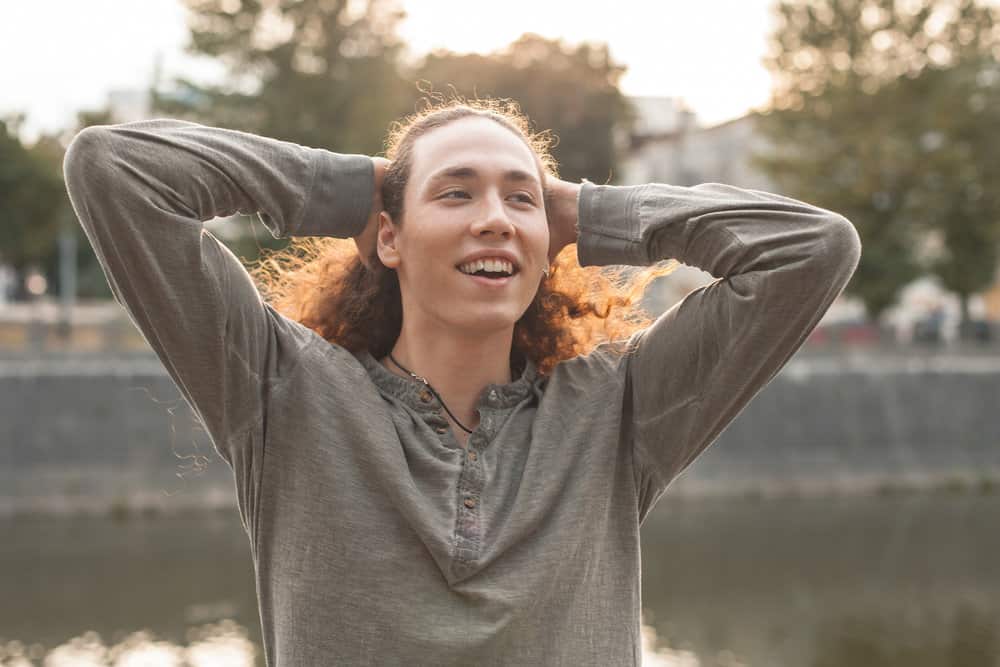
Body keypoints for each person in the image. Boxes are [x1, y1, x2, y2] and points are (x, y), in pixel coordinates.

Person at [62, 98, 861, 666]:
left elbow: (812, 249)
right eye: (455, 192)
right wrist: (361, 186)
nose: (495, 217)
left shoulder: (619, 410)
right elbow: (115, 169)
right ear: (388, 239)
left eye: (520, 199)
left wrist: (584, 210)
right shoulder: (281, 392)